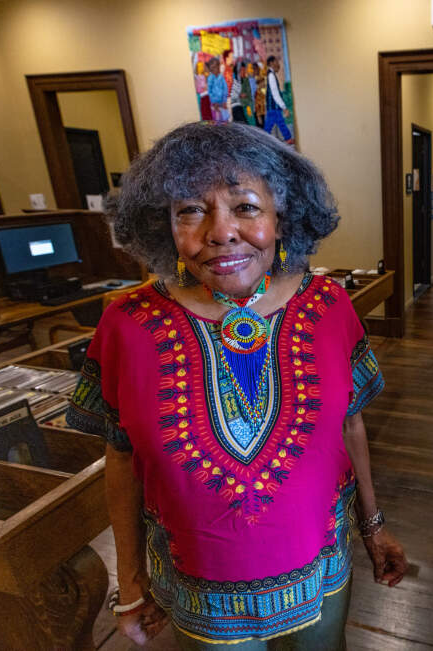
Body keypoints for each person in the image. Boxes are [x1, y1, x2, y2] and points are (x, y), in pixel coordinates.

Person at [67, 121, 407, 648]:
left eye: (245, 207)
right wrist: (130, 583)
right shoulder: (126, 324)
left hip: (321, 574)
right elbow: (119, 457)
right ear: (164, 225)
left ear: (281, 215)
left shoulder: (328, 306)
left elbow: (350, 423)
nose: (220, 231)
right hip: (200, 594)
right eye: (190, 210)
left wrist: (373, 524)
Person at [262, 56, 295, 144]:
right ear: (271, 63)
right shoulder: (271, 75)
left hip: (272, 106)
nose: (278, 64)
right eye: (276, 62)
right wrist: (284, 107)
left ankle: (288, 138)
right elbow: (275, 94)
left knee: (277, 123)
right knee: (273, 124)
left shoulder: (271, 75)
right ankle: (287, 138)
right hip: (273, 106)